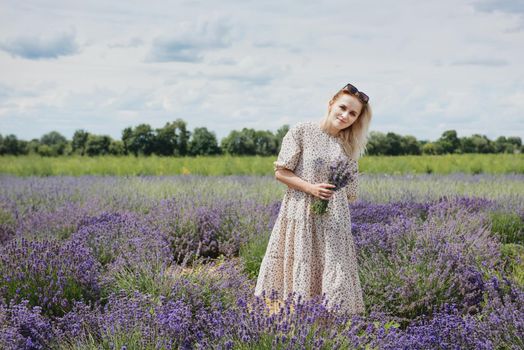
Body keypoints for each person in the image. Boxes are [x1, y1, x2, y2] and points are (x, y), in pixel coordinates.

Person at [254, 83, 372, 316]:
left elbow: (350, 193)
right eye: (343, 108)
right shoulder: (302, 131)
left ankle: (329, 334)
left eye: (353, 113)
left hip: (332, 221)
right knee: (300, 270)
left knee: (334, 275)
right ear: (331, 104)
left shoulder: (348, 146)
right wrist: (312, 189)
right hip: (300, 216)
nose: (345, 115)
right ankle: (293, 326)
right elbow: (281, 172)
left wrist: (331, 196)